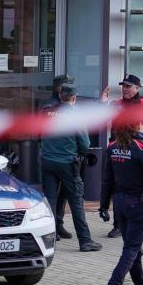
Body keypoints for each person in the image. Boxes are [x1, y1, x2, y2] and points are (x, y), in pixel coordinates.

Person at [99, 123, 143, 285]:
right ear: (137, 125)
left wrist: (104, 205)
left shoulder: (112, 147)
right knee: (132, 249)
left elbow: (107, 179)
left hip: (120, 204)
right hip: (137, 204)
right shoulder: (142, 147)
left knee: (134, 248)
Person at [41, 84, 102, 252]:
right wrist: (79, 155)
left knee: (50, 201)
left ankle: (48, 240)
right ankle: (85, 240)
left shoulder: (47, 111)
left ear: (60, 96)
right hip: (67, 163)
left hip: (47, 161)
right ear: (74, 98)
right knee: (76, 201)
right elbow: (85, 143)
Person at [104, 74, 143, 239]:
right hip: (120, 150)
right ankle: (118, 225)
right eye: (123, 86)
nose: (124, 89)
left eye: (128, 86)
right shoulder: (116, 104)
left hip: (140, 151)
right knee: (118, 187)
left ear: (137, 88)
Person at [40, 74, 75, 241]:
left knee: (64, 194)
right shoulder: (50, 106)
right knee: (52, 195)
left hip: (66, 156)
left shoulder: (68, 105)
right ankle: (52, 227)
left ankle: (58, 225)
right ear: (57, 88)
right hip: (56, 156)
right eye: (64, 85)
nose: (67, 88)